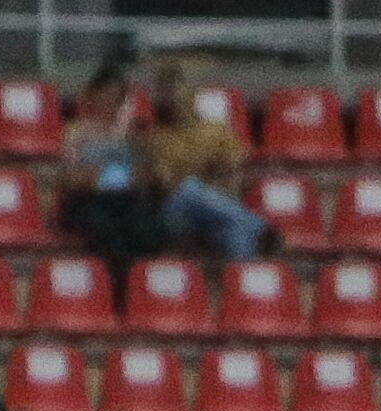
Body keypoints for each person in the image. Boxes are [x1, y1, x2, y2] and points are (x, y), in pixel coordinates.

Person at [143, 56, 274, 260]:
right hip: (177, 215)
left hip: (218, 210)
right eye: (166, 90)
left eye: (178, 87)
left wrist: (207, 178)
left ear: (193, 93)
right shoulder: (157, 137)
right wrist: (206, 176)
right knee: (189, 188)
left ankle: (239, 284)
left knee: (238, 230)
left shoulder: (218, 130)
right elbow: (169, 187)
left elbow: (235, 173)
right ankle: (259, 225)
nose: (173, 96)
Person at [55, 68, 162, 267]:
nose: (111, 102)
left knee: (148, 229)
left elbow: (145, 176)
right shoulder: (76, 132)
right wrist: (119, 176)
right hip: (86, 201)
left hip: (124, 200)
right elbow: (74, 180)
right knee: (110, 233)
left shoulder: (130, 136)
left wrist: (102, 174)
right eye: (107, 96)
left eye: (117, 97)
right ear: (93, 97)